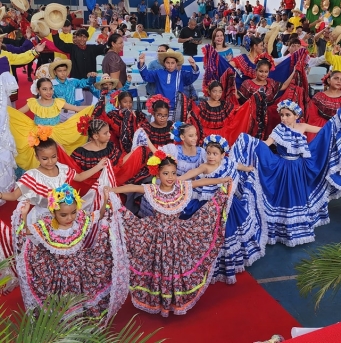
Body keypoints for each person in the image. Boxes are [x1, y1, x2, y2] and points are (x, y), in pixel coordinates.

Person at [106, 152, 231, 316]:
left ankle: (173, 300)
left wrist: (221, 181)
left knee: (174, 267)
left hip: (176, 237)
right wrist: (112, 190)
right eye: (166, 173)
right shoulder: (152, 190)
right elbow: (132, 187)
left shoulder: (181, 187)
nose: (170, 177)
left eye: (173, 173)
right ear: (157, 174)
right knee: (158, 267)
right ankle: (158, 300)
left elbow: (200, 181)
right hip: (156, 237)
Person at [231, 100, 341, 246]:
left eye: (287, 115)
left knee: (298, 194)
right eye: (282, 115)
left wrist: (337, 124)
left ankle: (298, 230)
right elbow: (266, 144)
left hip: (300, 167)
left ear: (296, 115)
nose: (284, 118)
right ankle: (281, 230)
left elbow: (324, 132)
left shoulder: (302, 126)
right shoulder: (278, 129)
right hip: (283, 167)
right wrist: (249, 142)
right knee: (284, 195)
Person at [12, 184, 128, 322]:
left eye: (73, 212)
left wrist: (106, 200)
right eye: (63, 215)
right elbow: (24, 232)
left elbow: (100, 215)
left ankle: (80, 322)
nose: (69, 218)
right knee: (61, 301)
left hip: (80, 269)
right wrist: (23, 215)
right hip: (56, 272)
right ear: (53, 212)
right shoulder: (46, 225)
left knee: (82, 296)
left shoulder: (80, 220)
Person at [175, 135, 264, 283]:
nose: (210, 156)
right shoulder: (205, 166)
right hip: (207, 206)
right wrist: (176, 180)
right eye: (208, 153)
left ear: (223, 155)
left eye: (215, 154)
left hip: (227, 206)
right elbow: (191, 174)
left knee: (227, 233)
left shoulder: (228, 163)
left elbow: (238, 166)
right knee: (207, 234)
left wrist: (249, 169)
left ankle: (225, 265)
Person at [7, 78, 95, 171]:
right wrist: (4, 113)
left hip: (56, 134)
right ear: (38, 90)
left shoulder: (57, 102)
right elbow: (17, 114)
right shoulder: (33, 103)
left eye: (50, 88)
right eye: (44, 89)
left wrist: (94, 107)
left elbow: (76, 108)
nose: (49, 92)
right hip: (37, 134)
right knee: (38, 156)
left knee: (58, 155)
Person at [189, 78, 267, 145]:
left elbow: (239, 111)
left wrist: (252, 100)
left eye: (220, 91)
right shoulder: (203, 105)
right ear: (209, 92)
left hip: (224, 136)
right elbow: (194, 118)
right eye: (214, 91)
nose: (217, 94)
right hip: (207, 137)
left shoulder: (225, 105)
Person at [138, 50, 199, 120]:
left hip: (177, 110)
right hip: (160, 108)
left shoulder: (181, 74)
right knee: (159, 128)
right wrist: (142, 63)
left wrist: (194, 66)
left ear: (176, 64)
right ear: (164, 63)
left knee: (175, 129)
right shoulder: (158, 73)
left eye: (172, 63)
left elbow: (192, 77)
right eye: (167, 63)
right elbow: (146, 76)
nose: (170, 65)